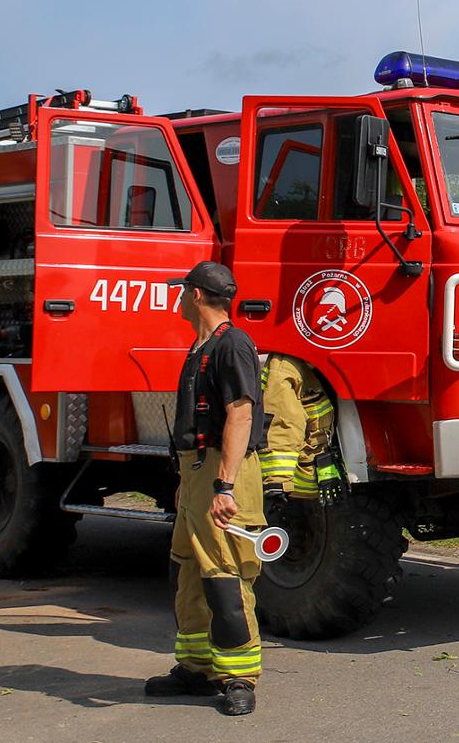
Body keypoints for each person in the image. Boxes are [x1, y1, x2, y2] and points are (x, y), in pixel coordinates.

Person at [145, 261, 268, 716]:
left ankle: (238, 678)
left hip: (223, 472)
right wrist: (187, 484)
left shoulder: (231, 345)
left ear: (196, 296)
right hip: (199, 476)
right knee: (188, 573)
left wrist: (224, 485)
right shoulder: (202, 347)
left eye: (182, 292)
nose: (177, 298)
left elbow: (240, 414)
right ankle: (196, 668)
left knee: (225, 576)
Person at [260, 353, 340, 499]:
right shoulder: (284, 366)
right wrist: (277, 482)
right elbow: (282, 423)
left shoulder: (302, 364)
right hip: (298, 481)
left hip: (320, 475)